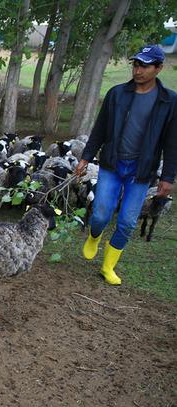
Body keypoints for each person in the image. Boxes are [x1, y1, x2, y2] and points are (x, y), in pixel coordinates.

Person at [75, 45, 176, 285]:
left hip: (141, 170)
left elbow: (172, 142)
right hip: (112, 163)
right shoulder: (117, 94)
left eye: (144, 65)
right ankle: (95, 235)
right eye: (136, 64)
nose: (138, 70)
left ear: (158, 68)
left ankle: (108, 266)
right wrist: (85, 157)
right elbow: (100, 129)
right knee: (100, 213)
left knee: (128, 222)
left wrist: (168, 177)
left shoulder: (169, 101)